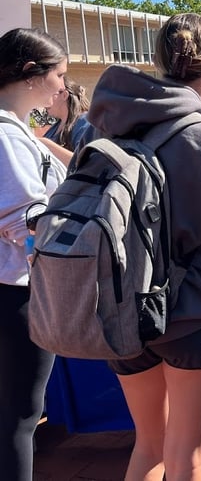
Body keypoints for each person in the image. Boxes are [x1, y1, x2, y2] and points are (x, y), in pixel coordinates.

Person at [86, 13, 201, 480]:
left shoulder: (102, 131)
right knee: (187, 454)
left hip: (121, 309)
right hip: (194, 315)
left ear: (159, 62)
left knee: (148, 444)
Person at [0, 28, 69, 481]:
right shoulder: (6, 136)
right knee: (22, 415)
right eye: (59, 75)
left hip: (17, 287)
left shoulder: (15, 131)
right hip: (17, 291)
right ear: (31, 74)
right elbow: (22, 222)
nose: (63, 87)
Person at [40, 75, 91, 165]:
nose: (44, 102)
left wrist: (46, 145)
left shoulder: (84, 123)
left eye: (49, 95)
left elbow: (85, 163)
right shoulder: (55, 128)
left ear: (64, 95)